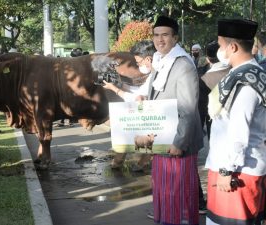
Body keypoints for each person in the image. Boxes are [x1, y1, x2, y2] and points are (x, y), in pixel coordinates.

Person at [136, 15, 203, 225]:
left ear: (175, 37)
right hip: (161, 140)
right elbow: (160, 97)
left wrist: (179, 143)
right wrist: (144, 98)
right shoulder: (160, 62)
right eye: (156, 35)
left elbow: (189, 108)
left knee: (178, 195)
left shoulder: (183, 65)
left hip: (176, 144)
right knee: (163, 192)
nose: (160, 39)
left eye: (165, 35)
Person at [205, 18, 266, 225]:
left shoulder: (246, 82)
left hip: (237, 171)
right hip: (231, 167)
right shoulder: (245, 74)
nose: (219, 50)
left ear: (232, 47)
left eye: (221, 44)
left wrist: (225, 170)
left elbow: (239, 130)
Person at [102, 40, 156, 170]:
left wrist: (114, 89)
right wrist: (122, 85)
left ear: (148, 59)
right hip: (151, 115)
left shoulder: (156, 74)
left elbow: (137, 98)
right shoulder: (155, 73)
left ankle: (140, 161)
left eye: (138, 62)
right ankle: (139, 161)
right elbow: (141, 91)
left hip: (151, 115)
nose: (138, 65)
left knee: (133, 131)